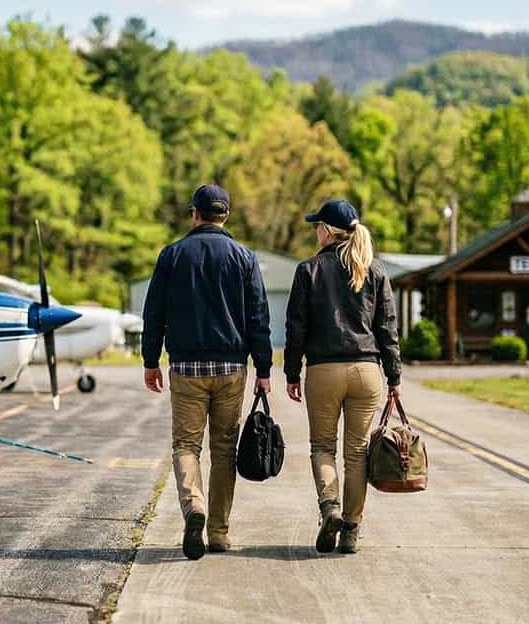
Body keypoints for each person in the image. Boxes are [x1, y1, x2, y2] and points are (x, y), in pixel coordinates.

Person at [142, 184, 273, 561]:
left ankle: (193, 506)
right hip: (232, 368)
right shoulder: (244, 258)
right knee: (223, 451)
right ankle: (218, 532)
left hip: (186, 368)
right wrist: (263, 368)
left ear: (195, 214)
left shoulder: (172, 256)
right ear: (225, 215)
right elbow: (258, 318)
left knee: (186, 446)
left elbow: (154, 313)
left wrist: (151, 360)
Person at [285, 199, 400, 555]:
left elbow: (296, 328)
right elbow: (387, 328)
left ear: (326, 230)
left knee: (322, 447)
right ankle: (351, 529)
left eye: (316, 226)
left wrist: (291, 371)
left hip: (323, 370)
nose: (315, 232)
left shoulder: (308, 270)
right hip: (367, 372)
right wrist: (394, 376)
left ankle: (330, 507)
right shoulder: (375, 270)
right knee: (358, 453)